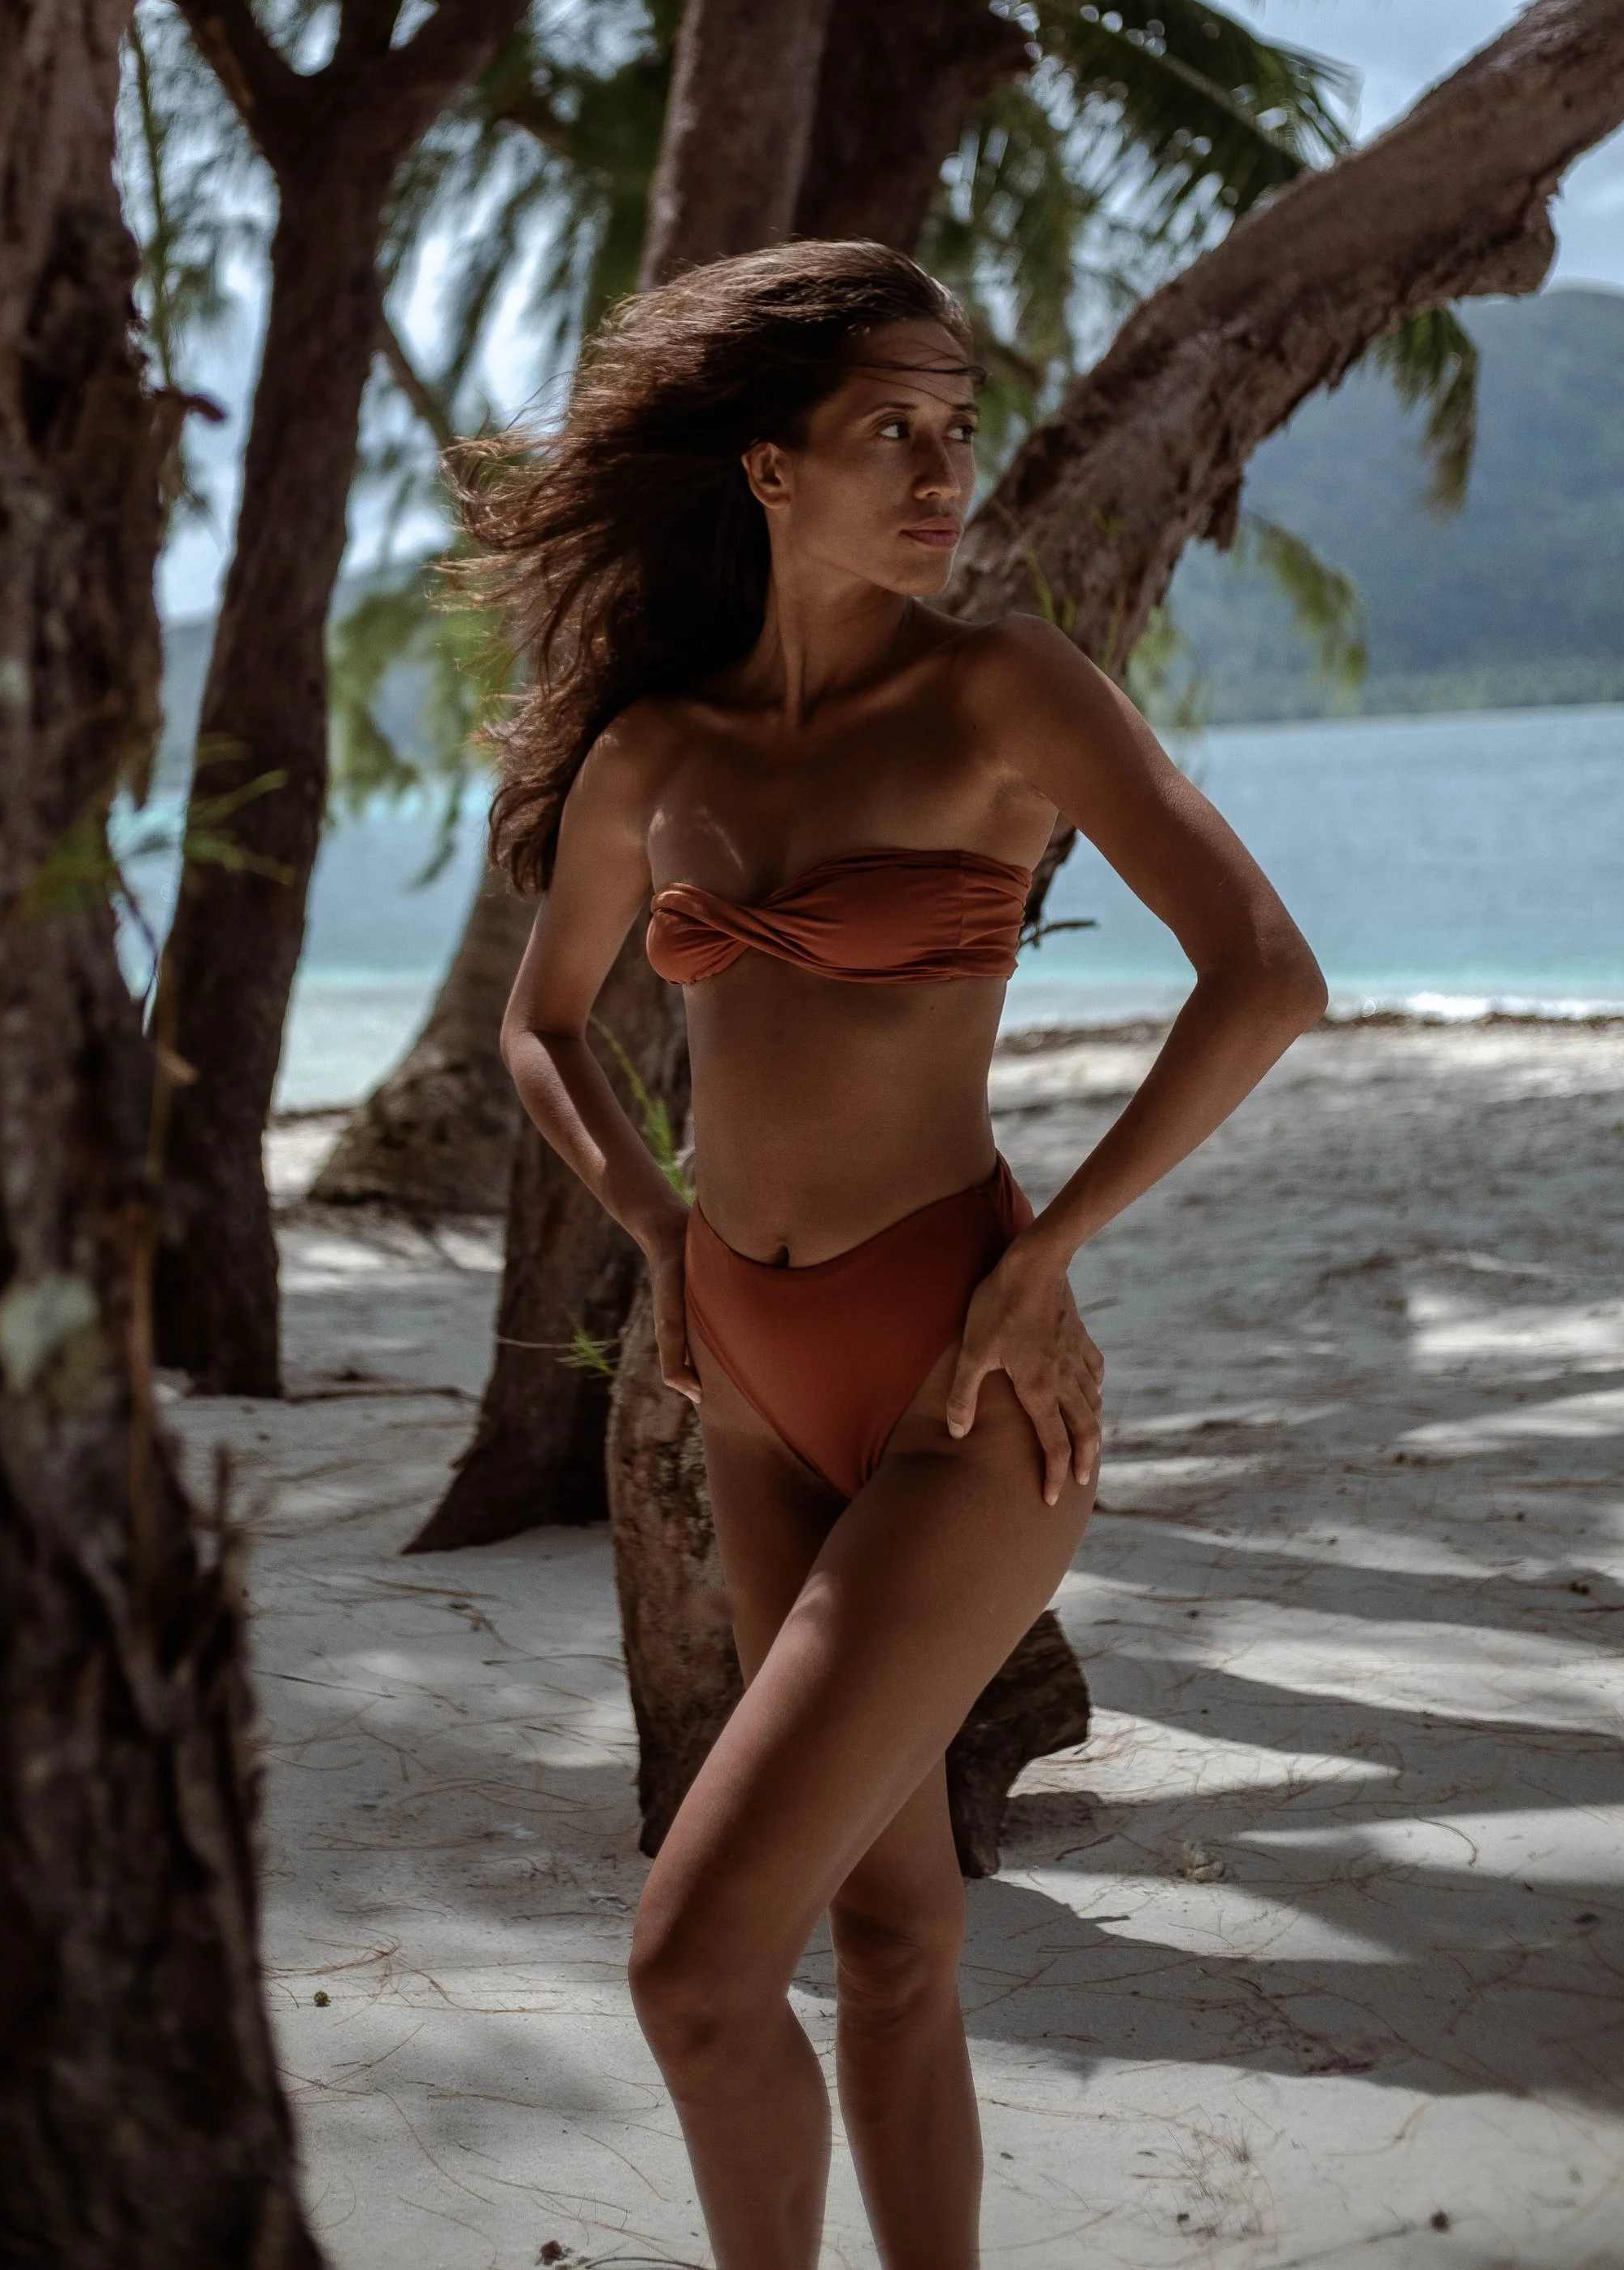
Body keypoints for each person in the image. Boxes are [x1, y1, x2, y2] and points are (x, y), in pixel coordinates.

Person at [478, 242, 1325, 2270]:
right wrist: (655, 1223)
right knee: (885, 1933)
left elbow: (1264, 979)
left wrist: (1054, 1262)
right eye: (892, 430)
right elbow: (538, 1022)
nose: (944, 468)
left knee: (691, 1966)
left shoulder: (995, 691)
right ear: (766, 470)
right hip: (750, 1375)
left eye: (956, 427)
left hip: (961, 1376)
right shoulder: (656, 754)